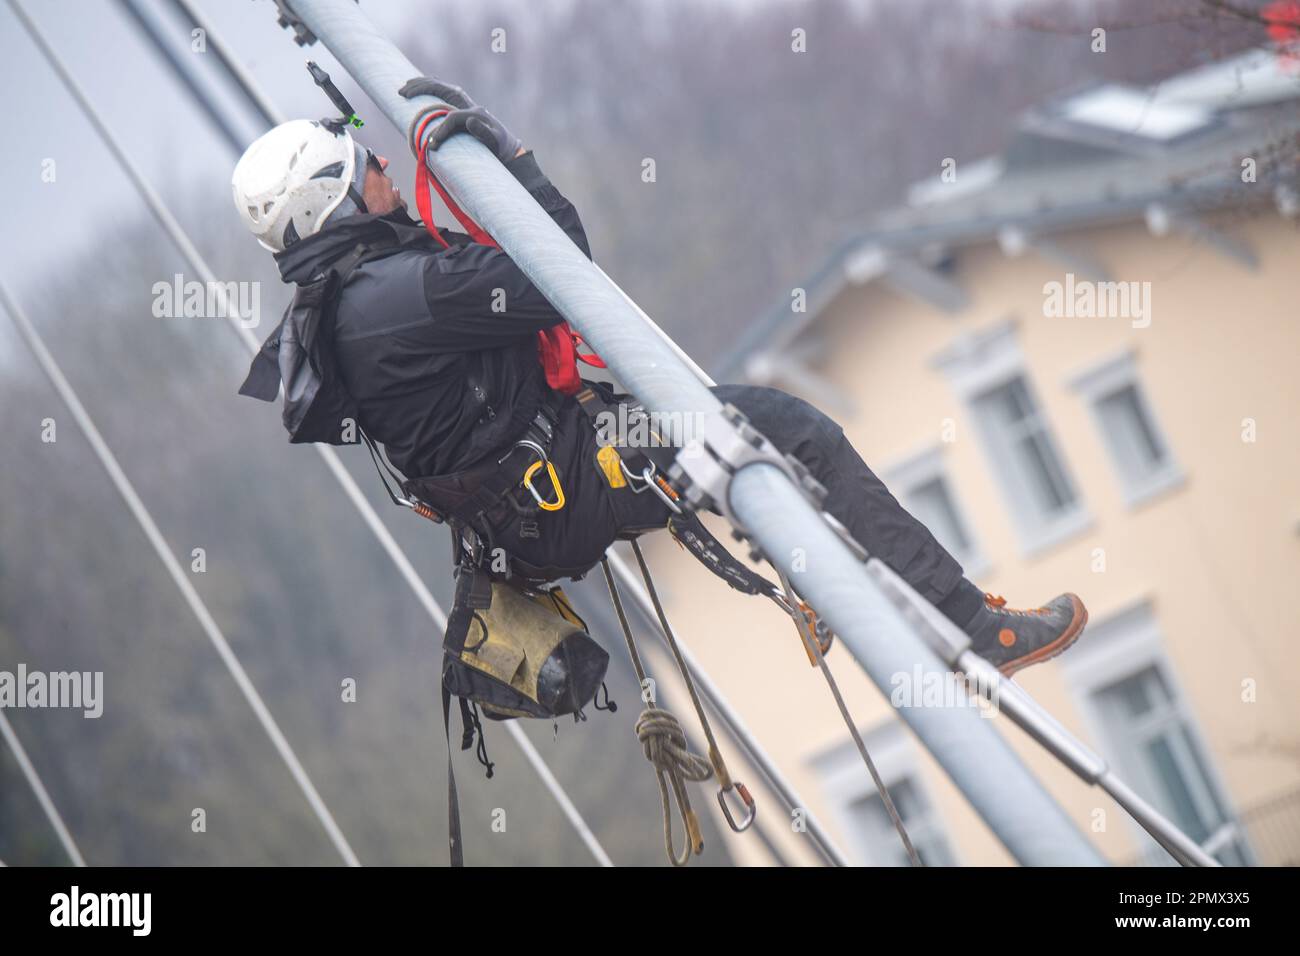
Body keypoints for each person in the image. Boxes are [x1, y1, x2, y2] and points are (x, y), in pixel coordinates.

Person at [231, 78, 1087, 677]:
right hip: (568, 472)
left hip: (536, 494)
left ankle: (858, 581)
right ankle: (972, 629)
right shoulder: (397, 296)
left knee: (756, 441)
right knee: (786, 433)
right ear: (336, 199)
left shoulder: (347, 306)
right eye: (367, 166)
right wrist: (518, 161)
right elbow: (561, 272)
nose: (383, 169)